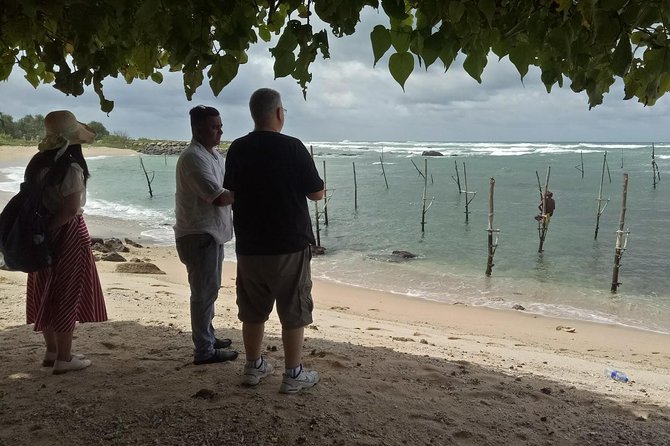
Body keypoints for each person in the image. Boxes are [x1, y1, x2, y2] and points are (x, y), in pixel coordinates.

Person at [224, 88, 325, 394]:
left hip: (250, 243)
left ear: (254, 115)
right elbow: (316, 192)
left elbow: (232, 192)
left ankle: (253, 366)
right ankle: (293, 373)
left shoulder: (238, 148)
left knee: (253, 309)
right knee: (293, 309)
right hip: (288, 243)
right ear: (279, 113)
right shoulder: (293, 147)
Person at [24, 110, 107, 374]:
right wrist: (50, 230)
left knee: (44, 289)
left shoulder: (37, 164)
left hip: (37, 232)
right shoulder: (71, 167)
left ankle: (51, 351)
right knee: (66, 293)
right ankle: (65, 357)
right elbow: (71, 209)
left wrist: (41, 231)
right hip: (67, 233)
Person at [174, 105, 238, 365]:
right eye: (214, 127)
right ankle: (204, 349)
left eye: (220, 126)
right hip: (198, 234)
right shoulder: (193, 158)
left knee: (209, 290)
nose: (220, 131)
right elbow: (220, 197)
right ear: (197, 129)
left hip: (211, 233)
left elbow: (227, 187)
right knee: (202, 293)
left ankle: (208, 338)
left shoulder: (212, 155)